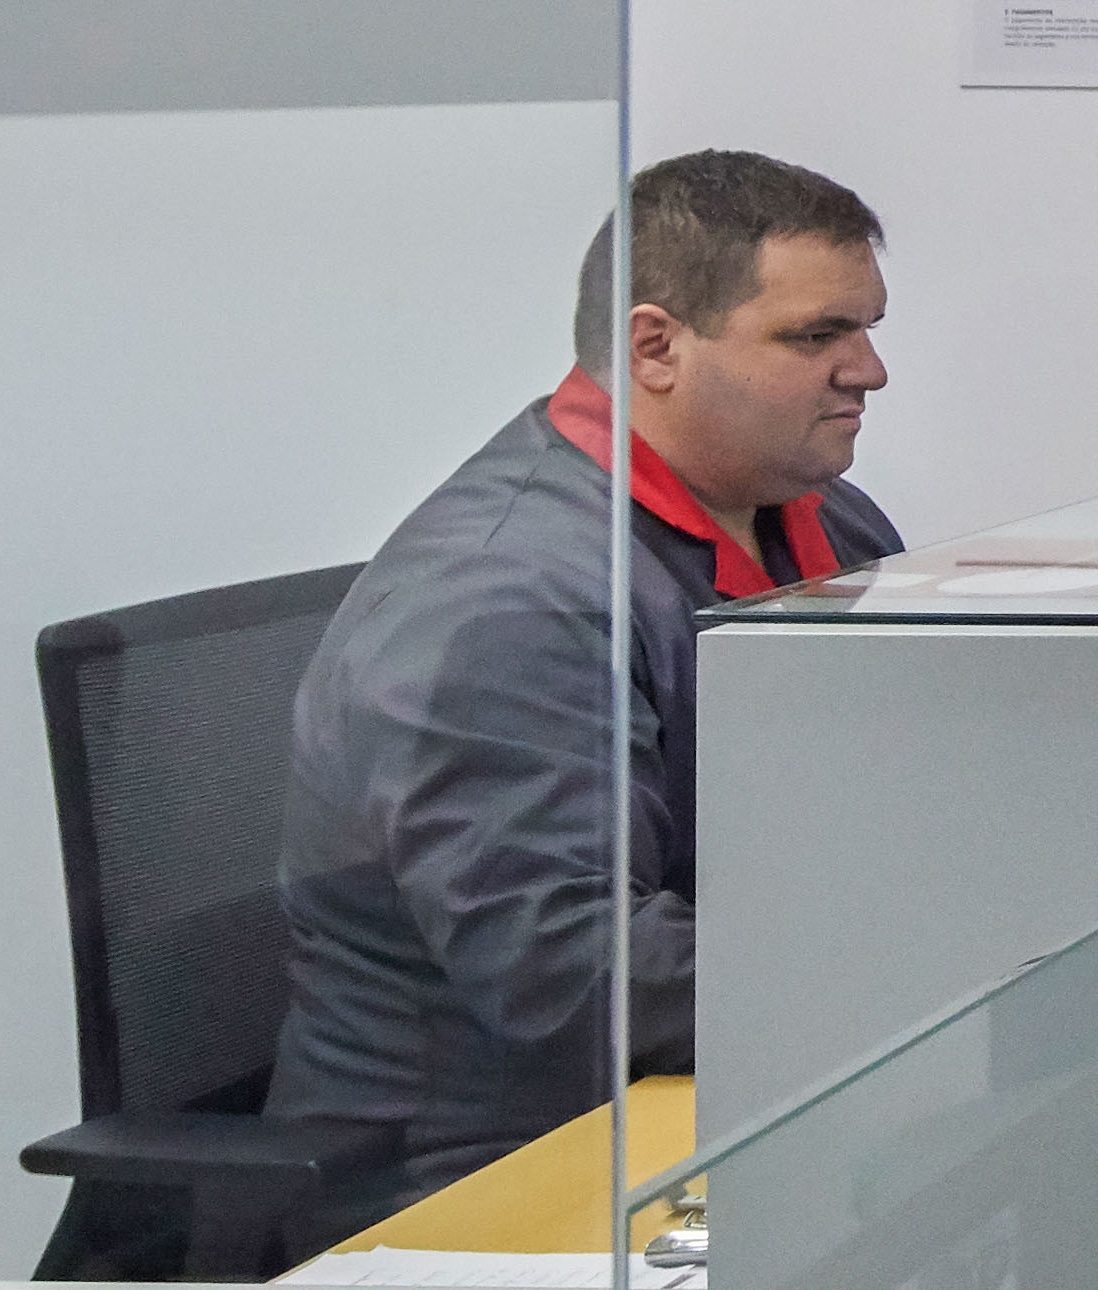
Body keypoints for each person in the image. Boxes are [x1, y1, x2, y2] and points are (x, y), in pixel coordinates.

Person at [266, 150, 899, 1227]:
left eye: (869, 328)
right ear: (655, 346)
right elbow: (570, 970)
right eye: (816, 336)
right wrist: (917, 973)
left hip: (712, 1095)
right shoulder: (505, 600)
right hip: (485, 1173)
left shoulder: (823, 522)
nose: (869, 370)